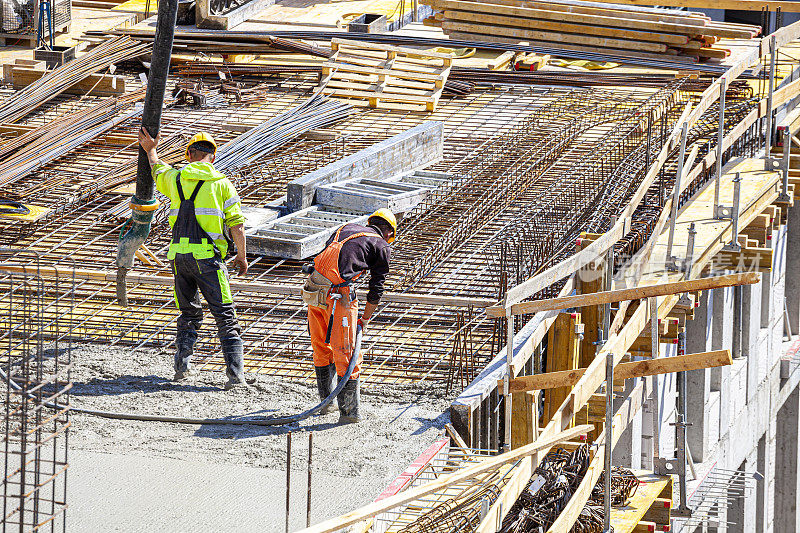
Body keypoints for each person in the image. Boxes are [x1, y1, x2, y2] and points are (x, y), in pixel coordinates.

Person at [138, 128, 249, 389]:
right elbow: (237, 224)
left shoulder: (176, 179)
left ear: (189, 155)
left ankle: (182, 368)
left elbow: (156, 169)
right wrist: (241, 257)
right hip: (208, 258)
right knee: (225, 316)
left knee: (188, 313)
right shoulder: (222, 183)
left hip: (178, 257)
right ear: (212, 157)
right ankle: (236, 377)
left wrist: (151, 148)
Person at [302, 209, 396, 423]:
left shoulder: (345, 228)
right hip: (338, 297)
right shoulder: (381, 244)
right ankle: (349, 415)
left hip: (313, 290)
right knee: (346, 353)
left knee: (321, 347)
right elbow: (376, 289)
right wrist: (365, 319)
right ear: (389, 232)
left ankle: (326, 403)